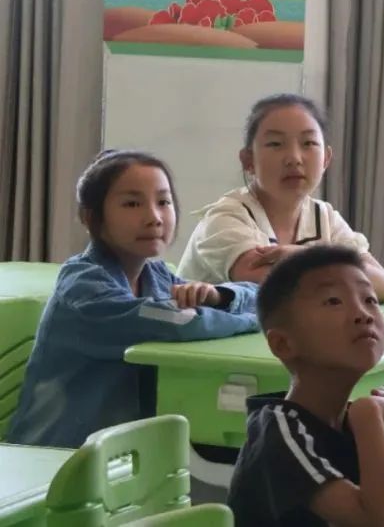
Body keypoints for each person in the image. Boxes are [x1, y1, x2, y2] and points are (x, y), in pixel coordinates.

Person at [6, 150, 259, 448]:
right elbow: (180, 321)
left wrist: (219, 295)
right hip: (54, 455)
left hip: (117, 453)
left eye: (163, 202)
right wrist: (254, 320)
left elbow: (260, 296)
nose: (154, 218)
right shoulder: (84, 287)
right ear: (90, 217)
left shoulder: (156, 275)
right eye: (132, 204)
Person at [228, 245, 384, 526]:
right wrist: (369, 416)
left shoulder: (350, 422)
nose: (363, 314)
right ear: (282, 344)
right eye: (333, 301)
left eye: (370, 299)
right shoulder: (280, 433)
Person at [177, 93, 384, 301]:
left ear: (326, 159)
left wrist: (301, 256)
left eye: (308, 143)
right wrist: (331, 262)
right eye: (275, 144)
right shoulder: (225, 217)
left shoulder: (324, 216)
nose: (294, 158)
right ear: (248, 160)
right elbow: (275, 285)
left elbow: (383, 285)